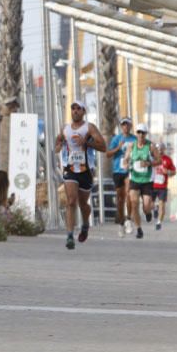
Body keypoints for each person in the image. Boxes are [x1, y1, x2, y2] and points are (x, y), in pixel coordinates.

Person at [54, 101, 107, 249]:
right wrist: (59, 144)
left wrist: (87, 143)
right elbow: (57, 147)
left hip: (86, 171)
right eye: (73, 108)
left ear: (84, 111)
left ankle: (85, 225)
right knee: (71, 201)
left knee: (83, 204)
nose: (75, 111)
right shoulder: (65, 128)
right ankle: (70, 235)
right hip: (70, 169)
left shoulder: (89, 128)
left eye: (78, 109)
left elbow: (103, 147)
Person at [125, 123, 160, 240]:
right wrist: (126, 164)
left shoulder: (151, 146)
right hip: (134, 178)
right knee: (134, 204)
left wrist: (149, 163)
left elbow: (159, 160)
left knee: (145, 206)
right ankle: (139, 229)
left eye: (143, 133)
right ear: (136, 134)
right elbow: (126, 159)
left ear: (146, 134)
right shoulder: (131, 146)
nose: (140, 135)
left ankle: (148, 212)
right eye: (138, 132)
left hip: (147, 180)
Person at [106, 117, 136, 237]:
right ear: (121, 126)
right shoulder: (116, 138)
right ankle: (121, 223)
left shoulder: (134, 139)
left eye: (128, 125)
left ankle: (128, 219)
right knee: (120, 198)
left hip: (130, 170)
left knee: (129, 194)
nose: (125, 127)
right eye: (123, 125)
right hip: (118, 170)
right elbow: (108, 154)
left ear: (130, 126)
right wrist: (118, 147)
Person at [152, 143, 176, 231]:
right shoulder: (152, 158)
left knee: (162, 206)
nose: (160, 150)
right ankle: (154, 208)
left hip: (162, 186)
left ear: (164, 149)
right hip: (152, 185)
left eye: (162, 149)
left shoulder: (168, 160)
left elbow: (174, 172)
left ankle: (159, 222)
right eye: (158, 149)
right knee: (149, 204)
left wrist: (168, 172)